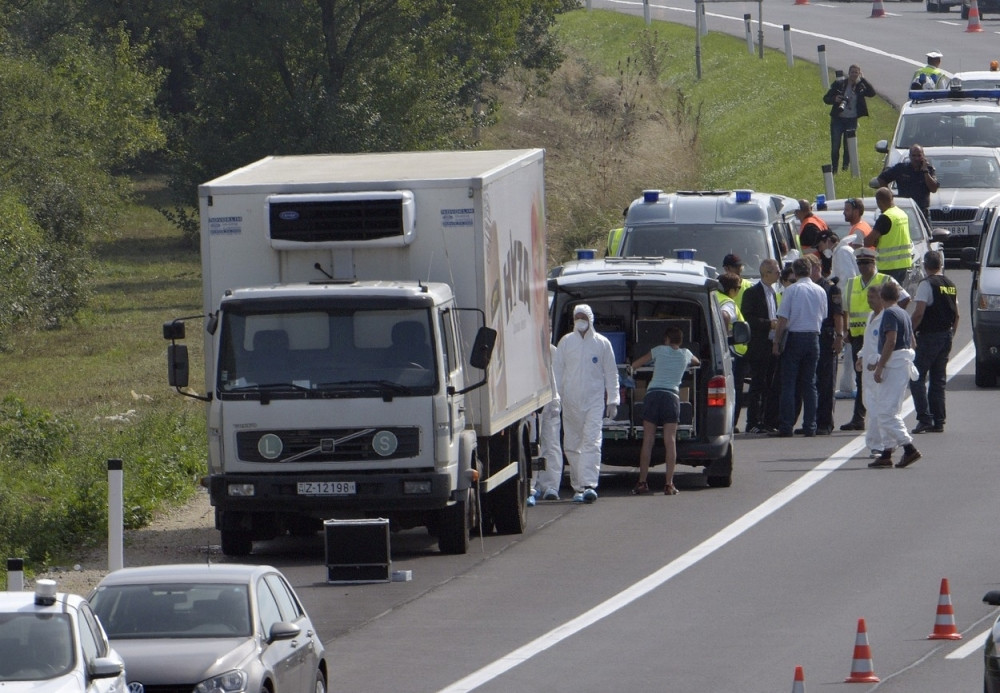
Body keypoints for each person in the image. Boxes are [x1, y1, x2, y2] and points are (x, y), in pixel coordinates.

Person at [552, 304, 620, 503]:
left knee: (592, 441)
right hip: (570, 401)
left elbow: (611, 372)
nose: (580, 320)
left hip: (594, 401)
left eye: (583, 317)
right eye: (577, 317)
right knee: (572, 444)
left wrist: (613, 400)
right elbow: (557, 371)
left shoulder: (602, 343)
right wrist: (556, 397)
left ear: (591, 319)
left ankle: (589, 484)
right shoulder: (566, 342)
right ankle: (578, 485)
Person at [840, 247, 910, 431]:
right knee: (862, 377)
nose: (862, 267)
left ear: (874, 263)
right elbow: (846, 309)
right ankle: (861, 416)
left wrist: (891, 315)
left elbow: (904, 298)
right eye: (860, 263)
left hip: (880, 336)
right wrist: (846, 330)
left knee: (876, 376)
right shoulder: (852, 283)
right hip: (858, 337)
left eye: (866, 263)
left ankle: (867, 416)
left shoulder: (885, 280)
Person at [629, 326, 700, 496]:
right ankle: (669, 484)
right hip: (671, 398)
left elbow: (635, 364)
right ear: (680, 341)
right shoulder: (686, 354)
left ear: (667, 340)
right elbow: (697, 362)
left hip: (653, 395)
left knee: (648, 440)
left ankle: (642, 482)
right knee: (670, 440)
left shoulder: (659, 350)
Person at [770, 258, 827, 437]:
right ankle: (810, 425)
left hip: (795, 337)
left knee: (789, 383)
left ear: (794, 273)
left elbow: (783, 319)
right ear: (810, 271)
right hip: (813, 337)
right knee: (809, 384)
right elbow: (823, 316)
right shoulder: (820, 290)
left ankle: (786, 425)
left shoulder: (792, 290)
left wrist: (776, 342)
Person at [867, 281, 921, 468]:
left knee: (886, 412)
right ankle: (887, 452)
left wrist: (880, 366)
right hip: (902, 364)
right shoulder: (903, 313)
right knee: (889, 409)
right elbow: (912, 342)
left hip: (894, 366)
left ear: (882, 297)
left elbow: (891, 340)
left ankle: (908, 447)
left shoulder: (889, 313)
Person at [908, 250, 958, 434]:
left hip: (929, 336)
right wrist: (951, 333)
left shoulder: (926, 284)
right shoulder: (950, 284)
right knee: (938, 380)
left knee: (916, 377)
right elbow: (957, 314)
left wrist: (909, 331)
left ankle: (924, 418)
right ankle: (939, 420)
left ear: (925, 265)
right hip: (946, 336)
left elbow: (919, 312)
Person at [805, 254, 844, 435]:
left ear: (818, 267)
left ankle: (825, 422)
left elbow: (838, 315)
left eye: (811, 267)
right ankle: (811, 421)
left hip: (827, 336)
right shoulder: (806, 287)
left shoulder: (830, 288)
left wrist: (839, 337)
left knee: (826, 381)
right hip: (812, 335)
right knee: (811, 381)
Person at [742, 259, 781, 434]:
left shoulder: (773, 292)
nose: (779, 274)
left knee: (769, 384)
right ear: (766, 273)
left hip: (772, 344)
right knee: (757, 384)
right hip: (759, 345)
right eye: (776, 272)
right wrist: (769, 324)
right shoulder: (752, 293)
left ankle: (766, 419)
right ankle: (752, 422)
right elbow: (748, 318)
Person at [823, 64, 877, 173]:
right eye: (852, 72)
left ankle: (845, 168)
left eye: (856, 72)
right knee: (835, 145)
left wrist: (862, 80)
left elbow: (872, 93)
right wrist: (835, 99)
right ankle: (834, 169)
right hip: (838, 119)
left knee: (848, 146)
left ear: (859, 74)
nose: (854, 74)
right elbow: (825, 98)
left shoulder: (860, 86)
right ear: (849, 73)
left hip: (851, 120)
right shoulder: (840, 84)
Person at [528, 344, 563, 505]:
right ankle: (530, 487)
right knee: (532, 445)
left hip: (548, 404)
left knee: (551, 444)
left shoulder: (551, 350)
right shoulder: (525, 346)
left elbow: (553, 375)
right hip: (530, 403)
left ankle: (551, 486)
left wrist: (555, 400)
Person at [855, 285, 888, 458]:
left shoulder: (886, 318)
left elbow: (887, 345)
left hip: (878, 371)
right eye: (868, 297)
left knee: (876, 410)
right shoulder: (871, 316)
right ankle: (886, 441)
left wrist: (876, 361)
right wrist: (861, 356)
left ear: (882, 299)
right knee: (870, 406)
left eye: (872, 297)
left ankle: (878, 445)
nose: (869, 300)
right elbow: (868, 342)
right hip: (867, 373)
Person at [870, 145, 939, 224]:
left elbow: (934, 189)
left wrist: (925, 171)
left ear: (923, 156)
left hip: (922, 211)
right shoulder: (901, 168)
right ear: (909, 156)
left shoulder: (929, 170)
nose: (916, 158)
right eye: (914, 155)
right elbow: (881, 179)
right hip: (904, 209)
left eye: (919, 155)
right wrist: (889, 196)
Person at [863, 186, 917, 284]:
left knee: (886, 297)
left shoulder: (886, 217)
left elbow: (868, 242)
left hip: (888, 266)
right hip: (903, 264)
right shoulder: (902, 214)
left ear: (879, 201)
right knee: (896, 295)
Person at [717, 272, 747, 431]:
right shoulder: (728, 302)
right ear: (732, 290)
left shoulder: (714, 296)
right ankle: (731, 424)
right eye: (738, 288)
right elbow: (724, 315)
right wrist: (724, 336)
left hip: (726, 351)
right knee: (733, 390)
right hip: (733, 352)